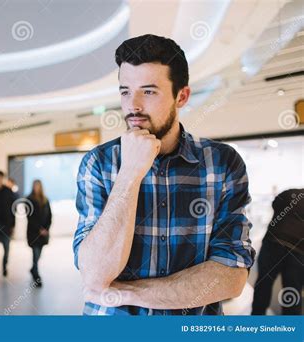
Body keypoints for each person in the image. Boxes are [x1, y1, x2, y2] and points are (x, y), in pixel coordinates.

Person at [73, 34, 256, 315]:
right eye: (125, 91)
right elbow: (95, 275)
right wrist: (130, 174)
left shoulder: (222, 163)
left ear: (181, 96)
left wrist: (125, 293)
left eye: (148, 91)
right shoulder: (99, 163)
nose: (133, 105)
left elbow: (231, 277)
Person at [252, 188, 304, 315]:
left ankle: (255, 324)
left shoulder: (288, 193)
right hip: (297, 251)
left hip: (273, 242)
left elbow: (275, 204)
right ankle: (291, 331)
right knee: (292, 292)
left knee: (263, 284)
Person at [26, 180, 52, 286]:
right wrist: (39, 229)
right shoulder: (29, 200)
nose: (36, 188)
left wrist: (46, 228)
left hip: (44, 233)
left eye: (38, 186)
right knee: (35, 254)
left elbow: (50, 215)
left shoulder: (45, 200)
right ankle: (37, 276)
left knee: (39, 254)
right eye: (35, 186)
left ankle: (33, 269)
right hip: (34, 233)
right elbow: (30, 217)